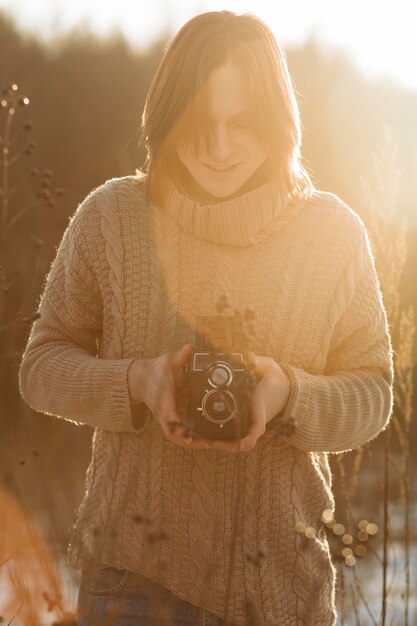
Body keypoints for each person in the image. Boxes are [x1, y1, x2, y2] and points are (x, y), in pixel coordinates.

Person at [18, 10, 394, 626]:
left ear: (278, 123)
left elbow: (375, 392)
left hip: (285, 589)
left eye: (242, 123)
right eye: (199, 122)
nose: (219, 148)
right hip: (131, 585)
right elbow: (40, 366)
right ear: (166, 119)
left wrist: (289, 396)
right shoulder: (111, 218)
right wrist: (136, 381)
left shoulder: (333, 235)